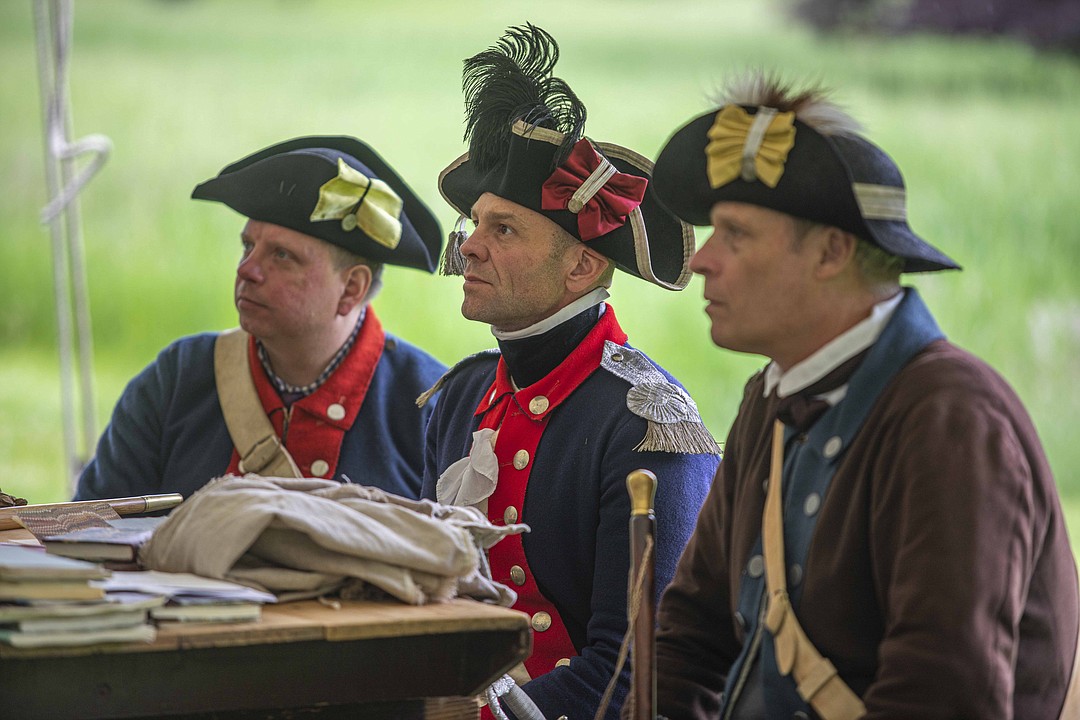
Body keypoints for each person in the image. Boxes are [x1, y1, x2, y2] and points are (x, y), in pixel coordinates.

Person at [646, 73, 1080, 719]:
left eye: (734, 234)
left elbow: (943, 693)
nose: (703, 260)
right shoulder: (771, 396)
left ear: (831, 251)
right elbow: (692, 634)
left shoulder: (950, 417)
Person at [419, 25, 721, 720]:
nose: (470, 249)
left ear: (583, 266)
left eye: (505, 231)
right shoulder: (459, 394)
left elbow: (637, 672)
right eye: (476, 225)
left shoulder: (649, 423)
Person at [75, 136, 447, 502]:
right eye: (248, 246)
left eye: (282, 255)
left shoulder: (432, 408)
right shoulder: (175, 380)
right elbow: (88, 531)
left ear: (351, 288)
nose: (247, 269)